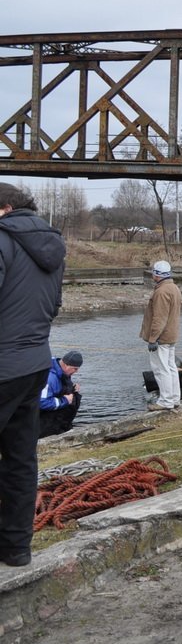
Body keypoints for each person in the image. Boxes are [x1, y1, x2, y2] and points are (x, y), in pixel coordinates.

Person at [0, 182, 66, 567]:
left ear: (4, 209)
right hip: (35, 364)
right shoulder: (53, 247)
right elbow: (53, 306)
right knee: (21, 459)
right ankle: (16, 549)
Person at [140, 260, 182, 411]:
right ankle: (175, 398)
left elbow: (159, 318)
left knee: (161, 369)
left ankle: (165, 401)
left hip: (161, 338)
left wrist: (153, 339)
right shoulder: (174, 288)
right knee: (171, 368)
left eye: (153, 272)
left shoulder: (161, 291)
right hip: (171, 335)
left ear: (157, 275)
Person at [38, 351, 82, 438]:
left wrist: (72, 389)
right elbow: (41, 402)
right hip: (43, 420)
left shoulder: (61, 371)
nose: (76, 371)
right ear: (66, 365)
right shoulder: (50, 378)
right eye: (75, 368)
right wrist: (65, 400)